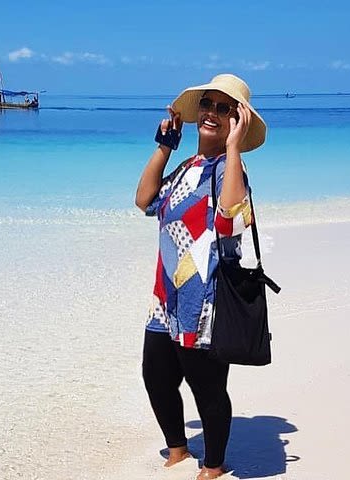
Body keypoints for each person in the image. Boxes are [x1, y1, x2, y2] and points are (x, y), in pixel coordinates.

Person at [135, 74, 267, 480]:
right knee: (155, 376)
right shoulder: (184, 169)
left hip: (205, 303)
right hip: (166, 299)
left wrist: (232, 149)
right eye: (207, 105)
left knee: (207, 389)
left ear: (237, 121)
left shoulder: (231, 173)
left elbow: (229, 222)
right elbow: (144, 201)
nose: (211, 113)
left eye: (224, 108)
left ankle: (213, 465)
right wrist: (164, 147)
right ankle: (177, 449)